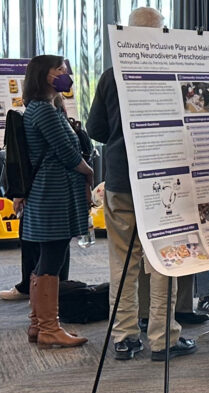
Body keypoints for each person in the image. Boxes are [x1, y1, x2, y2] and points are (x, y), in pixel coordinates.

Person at [88, 7, 197, 361]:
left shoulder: (109, 75)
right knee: (165, 259)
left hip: (120, 178)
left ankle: (123, 337)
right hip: (164, 180)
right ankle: (163, 338)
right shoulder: (174, 73)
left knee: (123, 260)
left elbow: (95, 131)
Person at [15, 55, 91, 349]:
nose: (64, 73)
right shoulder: (44, 112)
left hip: (50, 192)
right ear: (43, 75)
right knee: (52, 258)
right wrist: (90, 172)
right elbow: (69, 154)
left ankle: (39, 324)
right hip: (53, 194)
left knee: (48, 257)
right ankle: (49, 327)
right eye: (58, 69)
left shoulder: (43, 108)